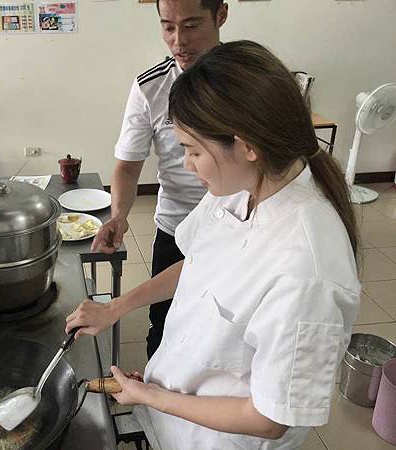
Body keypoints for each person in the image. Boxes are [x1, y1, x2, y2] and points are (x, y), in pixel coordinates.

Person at [66, 41, 360, 449]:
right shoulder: (241, 186)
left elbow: (270, 417)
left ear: (246, 145)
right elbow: (198, 264)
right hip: (173, 416)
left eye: (192, 150)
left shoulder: (308, 269)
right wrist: (117, 307)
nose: (186, 164)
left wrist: (153, 396)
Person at [91, 0, 228, 359]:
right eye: (168, 27)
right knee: (166, 324)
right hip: (177, 226)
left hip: (240, 229)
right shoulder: (151, 87)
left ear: (221, 15)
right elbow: (127, 166)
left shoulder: (246, 83)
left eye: (192, 25)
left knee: (223, 330)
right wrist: (118, 216)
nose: (178, 40)